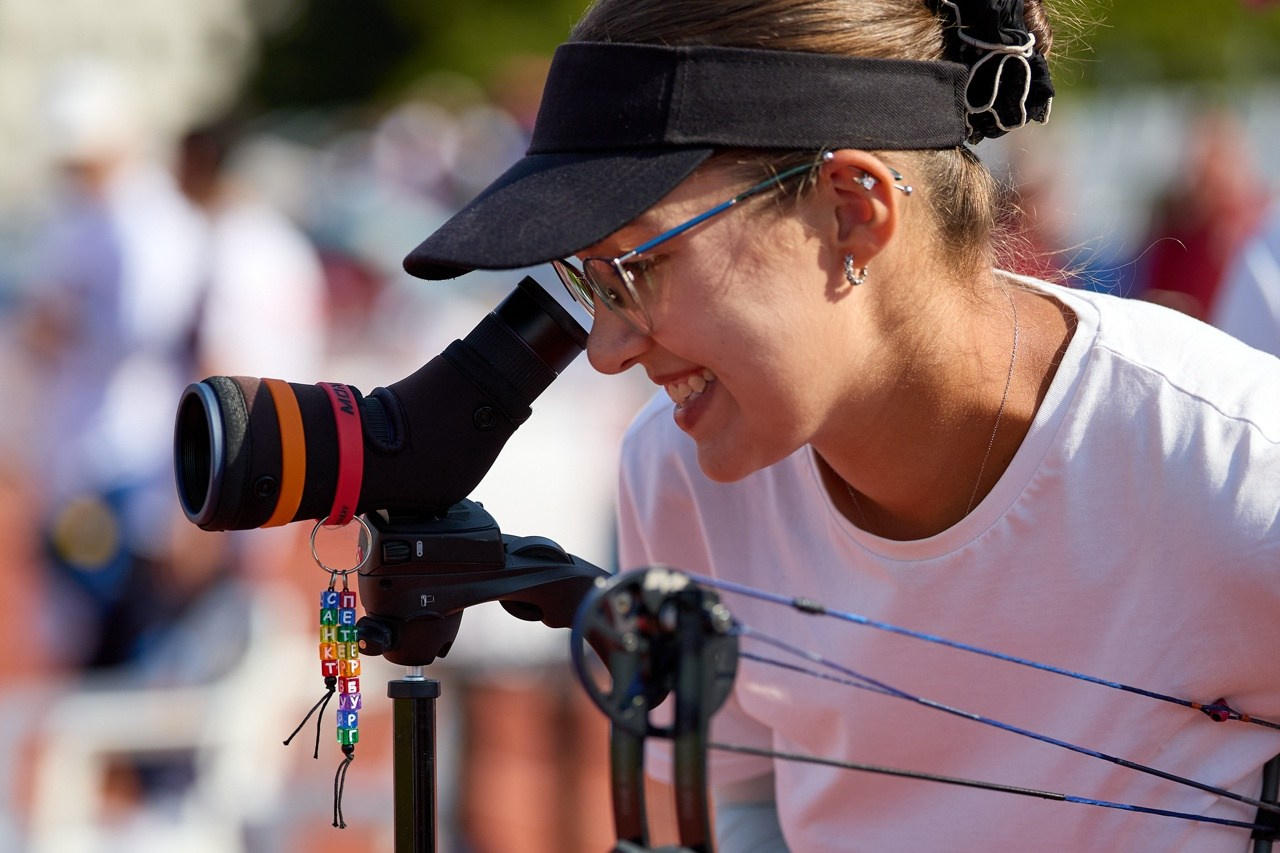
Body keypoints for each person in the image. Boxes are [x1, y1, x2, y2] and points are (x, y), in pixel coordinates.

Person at [398, 0, 1280, 849]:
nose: (608, 349)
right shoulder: (676, 471)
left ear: (852, 212)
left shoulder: (1242, 469)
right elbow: (737, 796)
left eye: (641, 267)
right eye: (590, 283)